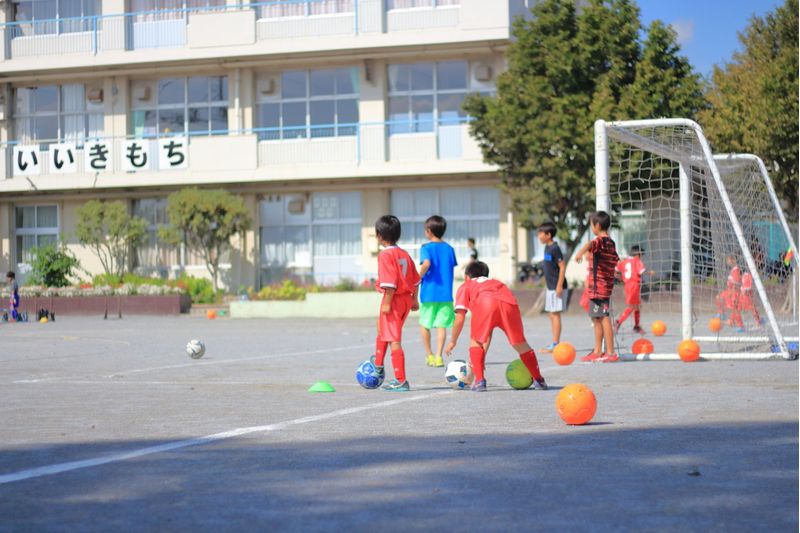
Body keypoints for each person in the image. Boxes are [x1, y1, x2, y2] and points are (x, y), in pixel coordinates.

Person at [445, 261, 547, 392]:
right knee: (520, 343)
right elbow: (488, 331)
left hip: (485, 303)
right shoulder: (497, 283)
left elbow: (460, 317)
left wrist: (453, 341)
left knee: (475, 341)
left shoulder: (466, 286)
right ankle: (539, 380)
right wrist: (482, 359)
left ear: (466, 276)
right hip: (509, 303)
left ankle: (480, 381)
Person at [372, 215, 421, 392]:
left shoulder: (386, 255)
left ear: (379, 235)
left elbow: (390, 282)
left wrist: (387, 302)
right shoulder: (404, 254)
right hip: (406, 299)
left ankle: (401, 380)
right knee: (383, 329)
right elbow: (416, 280)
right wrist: (415, 299)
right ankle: (377, 364)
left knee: (393, 339)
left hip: (393, 299)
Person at [575, 211, 620, 362]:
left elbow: (590, 244)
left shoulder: (600, 241)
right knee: (596, 318)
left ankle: (611, 352)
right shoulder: (611, 243)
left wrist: (580, 253)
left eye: (591, 225)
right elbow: (615, 260)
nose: (591, 228)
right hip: (604, 286)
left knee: (603, 317)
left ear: (597, 225)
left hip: (598, 287)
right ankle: (598, 350)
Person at [418, 215, 458, 368]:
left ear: (429, 231)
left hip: (429, 293)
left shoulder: (426, 248)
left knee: (424, 324)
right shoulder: (449, 249)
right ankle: (439, 356)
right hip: (445, 294)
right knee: (441, 325)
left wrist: (418, 276)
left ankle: (429, 355)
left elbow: (427, 263)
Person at [537, 221, 567, 352]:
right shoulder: (546, 248)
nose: (538, 236)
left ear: (548, 235)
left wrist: (559, 285)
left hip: (556, 286)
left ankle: (555, 344)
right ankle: (555, 341)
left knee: (555, 314)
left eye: (541, 233)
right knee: (551, 314)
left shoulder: (555, 248)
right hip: (550, 287)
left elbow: (562, 266)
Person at [614, 245, 653, 335]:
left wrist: (622, 278)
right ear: (638, 254)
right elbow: (641, 271)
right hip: (634, 285)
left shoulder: (624, 261)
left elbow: (615, 271)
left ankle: (636, 326)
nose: (641, 257)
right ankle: (618, 322)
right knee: (632, 306)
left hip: (628, 285)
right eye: (641, 255)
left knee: (637, 305)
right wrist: (650, 272)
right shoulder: (637, 261)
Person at [715, 255, 742, 329]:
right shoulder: (733, 270)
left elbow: (737, 283)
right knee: (718, 297)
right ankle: (722, 314)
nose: (727, 262)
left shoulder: (736, 270)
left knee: (735, 307)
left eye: (728, 260)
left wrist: (731, 292)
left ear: (733, 260)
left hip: (734, 292)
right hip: (730, 290)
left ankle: (735, 322)